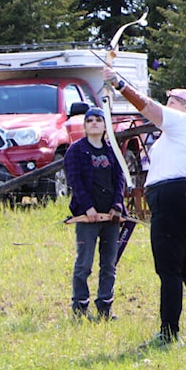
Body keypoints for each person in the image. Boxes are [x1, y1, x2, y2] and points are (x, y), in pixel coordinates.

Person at [102, 67, 186, 347]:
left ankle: (169, 334)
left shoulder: (182, 123)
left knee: (169, 270)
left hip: (173, 197)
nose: (168, 104)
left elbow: (148, 108)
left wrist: (120, 84)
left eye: (174, 101)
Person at [64, 106, 126, 321]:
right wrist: (88, 207)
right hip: (87, 216)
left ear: (105, 125)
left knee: (109, 264)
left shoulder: (113, 150)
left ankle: (105, 307)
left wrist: (117, 205)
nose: (93, 123)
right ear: (84, 125)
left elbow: (121, 179)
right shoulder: (76, 150)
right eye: (89, 120)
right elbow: (75, 181)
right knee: (84, 263)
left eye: (98, 120)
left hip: (111, 217)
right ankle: (80, 308)